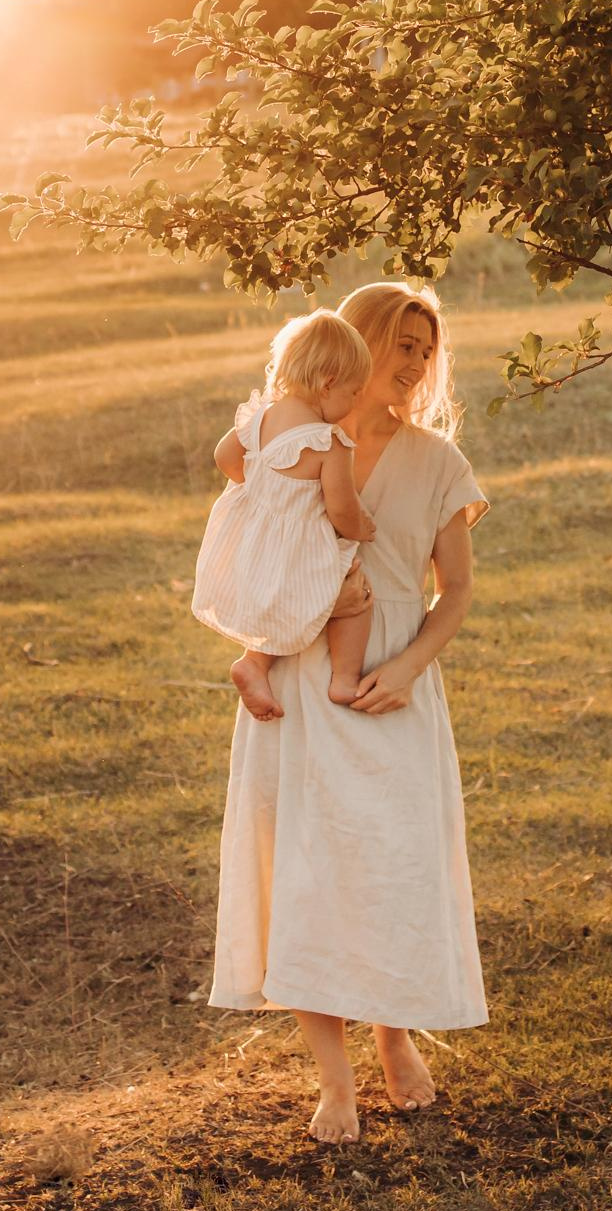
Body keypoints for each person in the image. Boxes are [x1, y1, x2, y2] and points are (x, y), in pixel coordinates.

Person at [206, 281, 489, 1143]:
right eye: (400, 344)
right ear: (359, 346)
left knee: (391, 866)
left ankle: (395, 1037)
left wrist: (406, 666)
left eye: (424, 350)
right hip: (300, 680)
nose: (413, 364)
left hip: (391, 684)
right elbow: (252, 535)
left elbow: (458, 590)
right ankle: (336, 1083)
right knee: (311, 875)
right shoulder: (295, 436)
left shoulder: (438, 462)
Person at [194, 310, 378, 718]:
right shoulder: (330, 443)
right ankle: (344, 679)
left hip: (255, 543)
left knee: (280, 608)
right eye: (354, 392)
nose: (355, 403)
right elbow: (341, 508)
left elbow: (224, 457)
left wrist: (263, 488)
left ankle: (254, 663)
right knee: (355, 598)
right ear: (328, 384)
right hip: (299, 549)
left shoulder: (261, 416)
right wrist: (363, 527)